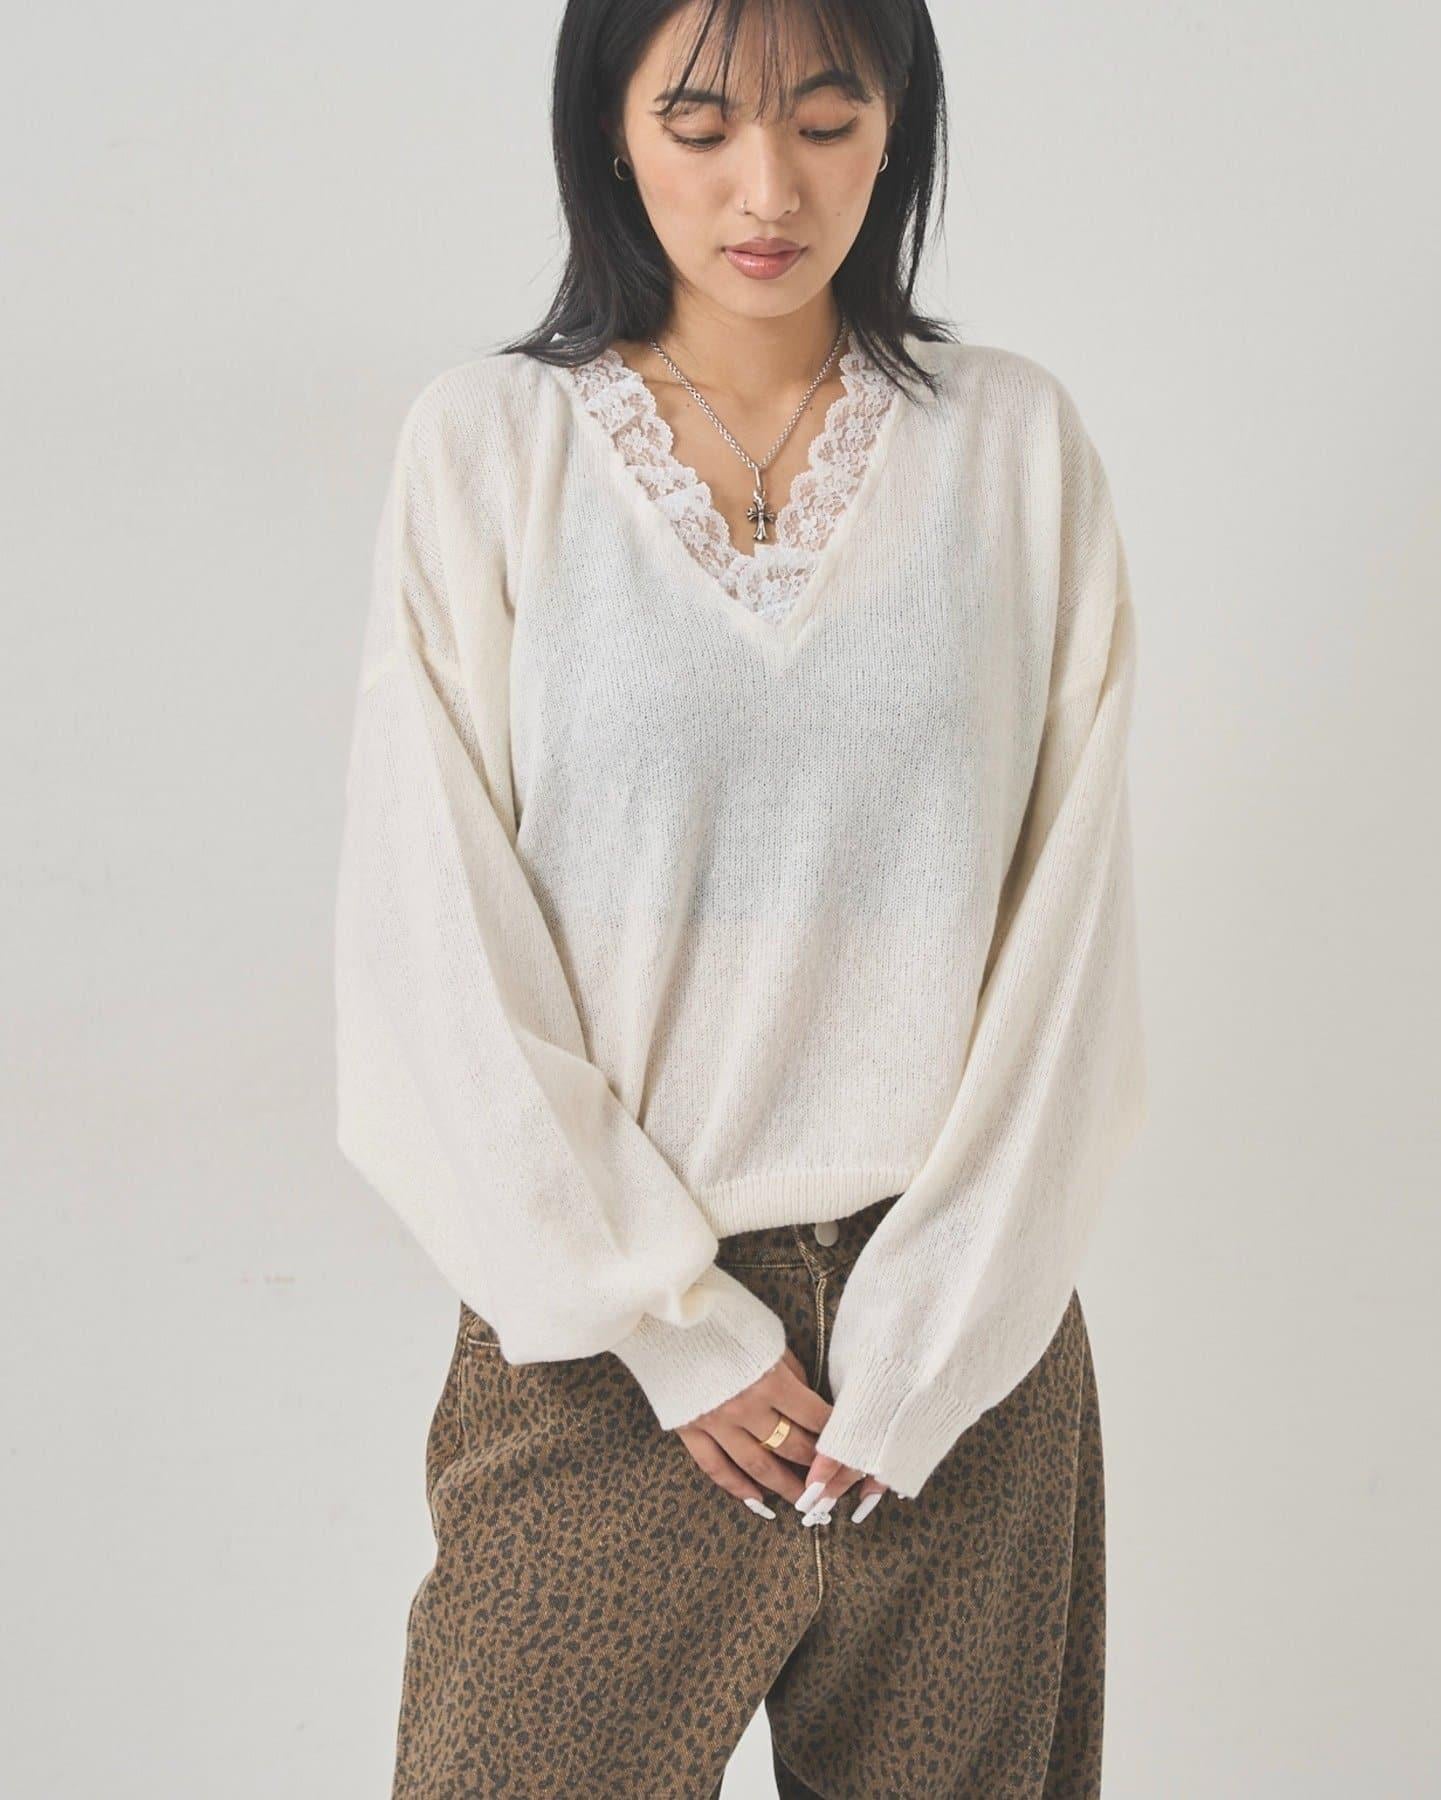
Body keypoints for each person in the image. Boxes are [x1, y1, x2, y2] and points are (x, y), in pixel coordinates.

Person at [333, 0, 1148, 1792]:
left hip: (960, 1357)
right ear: (609, 130)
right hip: (597, 1354)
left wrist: (936, 1335)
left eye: (827, 121)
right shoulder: (492, 449)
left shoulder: (1012, 448)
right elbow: (427, 937)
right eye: (700, 125)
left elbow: (1070, 943)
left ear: (897, 129)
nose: (767, 187)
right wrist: (664, 1317)